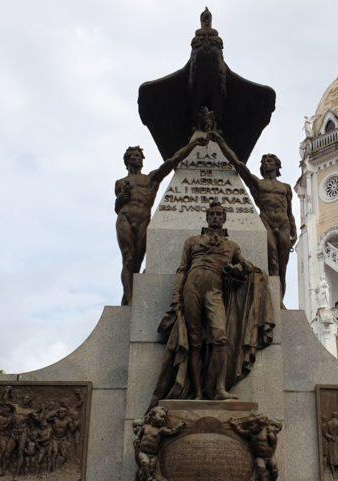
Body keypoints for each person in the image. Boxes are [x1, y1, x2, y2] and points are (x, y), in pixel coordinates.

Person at [150, 202, 275, 406]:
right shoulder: (192, 241)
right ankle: (198, 392)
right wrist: (176, 296)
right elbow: (182, 269)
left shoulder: (232, 246)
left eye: (219, 214)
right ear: (207, 217)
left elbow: (246, 266)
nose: (216, 217)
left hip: (214, 290)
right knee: (195, 341)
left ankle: (218, 388)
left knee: (220, 338)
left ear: (224, 218)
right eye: (212, 214)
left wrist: (239, 267)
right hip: (192, 287)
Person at [115, 136, 207, 305]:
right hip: (125, 218)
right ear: (127, 160)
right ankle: (129, 299)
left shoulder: (151, 178)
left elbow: (172, 161)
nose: (136, 158)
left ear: (142, 161)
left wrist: (192, 144)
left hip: (143, 220)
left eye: (138, 156)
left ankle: (128, 295)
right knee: (128, 258)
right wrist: (121, 198)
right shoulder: (120, 182)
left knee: (137, 262)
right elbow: (117, 207)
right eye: (132, 156)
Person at [210, 132, 297, 303]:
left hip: (284, 225)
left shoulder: (286, 187)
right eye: (264, 162)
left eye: (270, 161)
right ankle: (274, 300)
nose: (266, 163)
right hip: (266, 222)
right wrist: (221, 142)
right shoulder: (258, 184)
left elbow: (289, 211)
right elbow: (239, 164)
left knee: (283, 267)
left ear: (277, 166)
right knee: (273, 262)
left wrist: (293, 230)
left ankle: (280, 301)